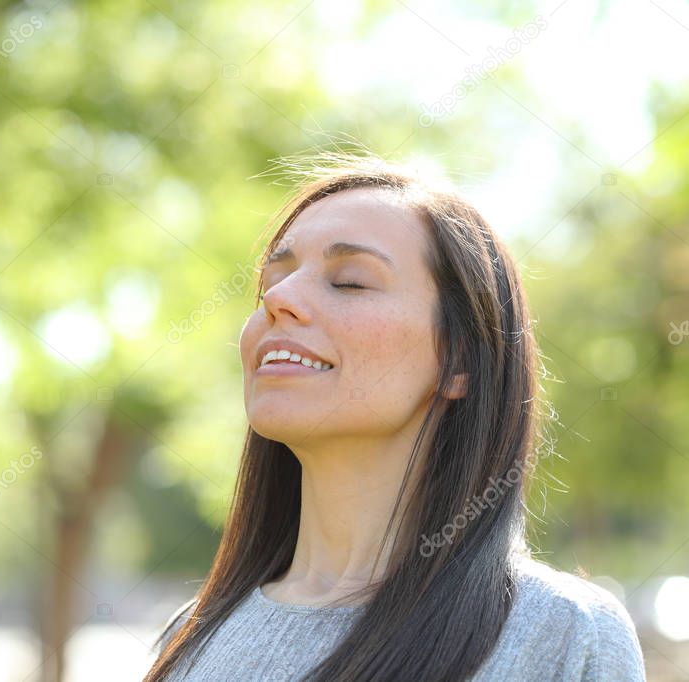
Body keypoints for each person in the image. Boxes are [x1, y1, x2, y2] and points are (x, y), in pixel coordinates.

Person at [143, 154, 646, 681]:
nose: (279, 299)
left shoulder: (561, 635)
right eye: (273, 280)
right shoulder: (191, 638)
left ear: (457, 360)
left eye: (351, 282)